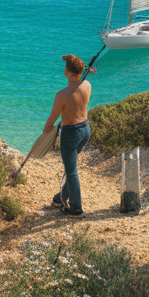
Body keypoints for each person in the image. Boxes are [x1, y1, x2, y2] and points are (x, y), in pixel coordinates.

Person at [43, 54, 93, 216]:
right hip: (85, 130)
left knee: (71, 171)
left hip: (71, 134)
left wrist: (46, 131)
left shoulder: (62, 95)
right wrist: (82, 67)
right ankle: (61, 197)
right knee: (70, 167)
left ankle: (76, 207)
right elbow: (82, 78)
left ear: (68, 73)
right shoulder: (87, 85)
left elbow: (52, 119)